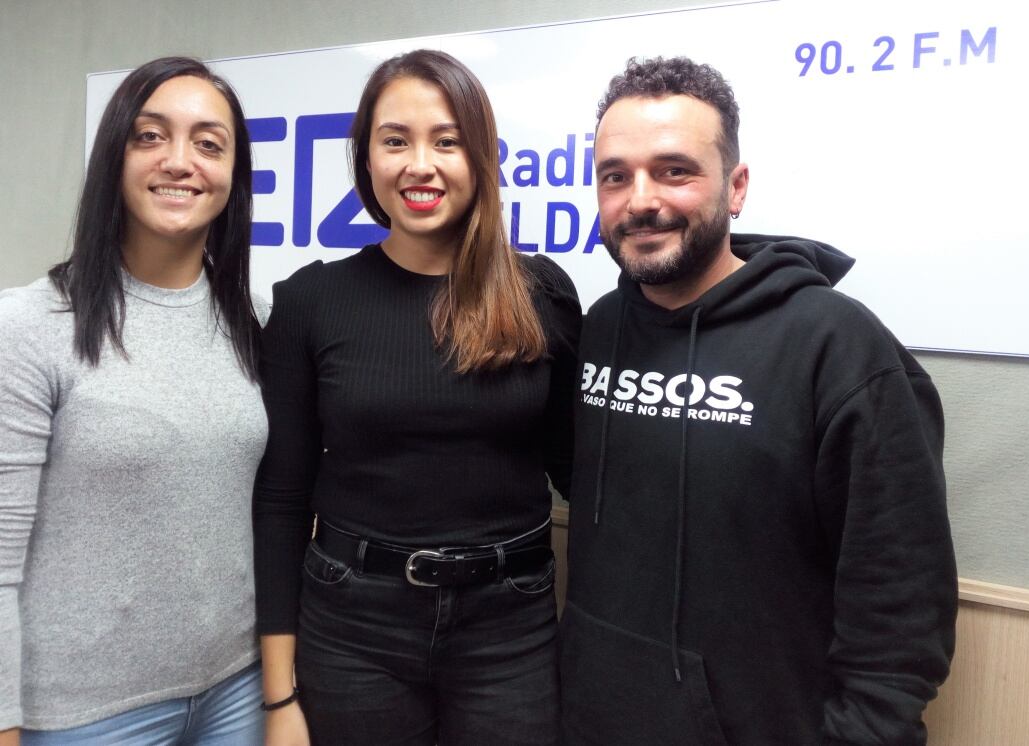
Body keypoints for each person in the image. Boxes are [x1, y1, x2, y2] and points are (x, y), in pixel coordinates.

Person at [559, 56, 957, 746]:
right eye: (615, 176)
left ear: (736, 187)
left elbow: (900, 605)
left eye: (675, 170)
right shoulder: (598, 328)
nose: (641, 199)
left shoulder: (836, 346)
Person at [253, 49, 580, 746]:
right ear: (366, 160)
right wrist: (279, 697)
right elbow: (282, 500)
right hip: (352, 629)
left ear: (481, 158)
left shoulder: (541, 294)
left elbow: (578, 471)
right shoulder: (313, 302)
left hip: (511, 626)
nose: (419, 164)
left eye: (446, 140)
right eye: (395, 140)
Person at [0, 57, 266, 744]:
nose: (180, 161)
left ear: (233, 177)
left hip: (236, 687)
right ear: (114, 157)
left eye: (209, 144)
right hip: (86, 714)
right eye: (150, 136)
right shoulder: (29, 325)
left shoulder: (258, 321)